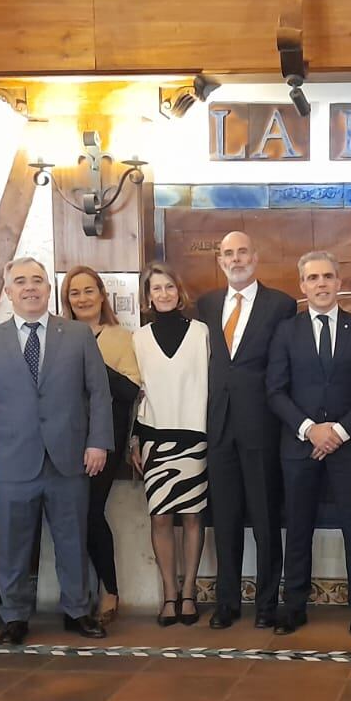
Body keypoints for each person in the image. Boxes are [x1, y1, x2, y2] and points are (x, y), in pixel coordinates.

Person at [0, 256, 113, 646]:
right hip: (10, 461)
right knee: (11, 545)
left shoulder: (77, 335)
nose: (30, 287)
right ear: (9, 292)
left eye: (38, 280)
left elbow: (99, 392)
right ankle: (14, 616)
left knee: (72, 541)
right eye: (21, 282)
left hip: (69, 459)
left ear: (49, 289)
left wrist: (98, 441)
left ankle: (78, 610)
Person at [266, 250, 351, 637]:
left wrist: (338, 432)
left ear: (339, 282)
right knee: (298, 528)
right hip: (299, 446)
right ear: (302, 286)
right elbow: (275, 391)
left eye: (328, 276)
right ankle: (294, 606)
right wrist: (310, 429)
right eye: (313, 278)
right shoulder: (286, 331)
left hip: (349, 447)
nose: (321, 284)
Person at [195, 231, 296, 630]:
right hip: (218, 426)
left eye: (242, 252)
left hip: (262, 426)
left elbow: (283, 367)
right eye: (228, 254)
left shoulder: (281, 305)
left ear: (255, 257)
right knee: (226, 519)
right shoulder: (206, 305)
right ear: (220, 260)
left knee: (266, 519)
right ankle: (227, 602)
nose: (235, 259)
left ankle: (268, 604)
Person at [61, 265, 142, 625]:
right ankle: (79, 595)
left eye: (88, 290)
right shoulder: (57, 337)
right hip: (63, 441)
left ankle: (109, 589)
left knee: (91, 512)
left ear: (101, 295)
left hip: (103, 442)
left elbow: (130, 391)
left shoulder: (122, 337)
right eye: (74, 293)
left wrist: (91, 361)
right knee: (71, 518)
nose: (82, 298)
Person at [133, 263, 209, 627]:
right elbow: (137, 393)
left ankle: (190, 591)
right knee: (161, 518)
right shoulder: (139, 337)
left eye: (168, 287)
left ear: (179, 291)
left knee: (193, 518)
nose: (163, 294)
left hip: (194, 436)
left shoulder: (201, 333)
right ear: (147, 296)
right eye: (155, 288)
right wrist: (135, 437)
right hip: (155, 437)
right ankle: (169, 594)